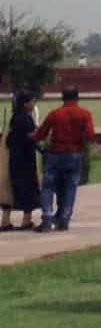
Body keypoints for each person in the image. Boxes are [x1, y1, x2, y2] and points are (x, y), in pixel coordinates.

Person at [32, 87, 96, 231]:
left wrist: (32, 137)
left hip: (55, 154)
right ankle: (64, 219)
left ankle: (47, 218)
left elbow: (40, 134)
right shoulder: (85, 114)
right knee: (70, 187)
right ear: (77, 98)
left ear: (63, 98)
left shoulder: (55, 114)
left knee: (48, 187)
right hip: (74, 154)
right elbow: (91, 136)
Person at [4, 90, 42, 231]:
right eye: (32, 101)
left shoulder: (15, 118)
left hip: (15, 158)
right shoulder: (26, 118)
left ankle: (6, 221)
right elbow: (31, 137)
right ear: (25, 104)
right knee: (29, 189)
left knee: (17, 187)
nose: (34, 103)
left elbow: (10, 139)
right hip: (26, 159)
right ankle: (26, 220)